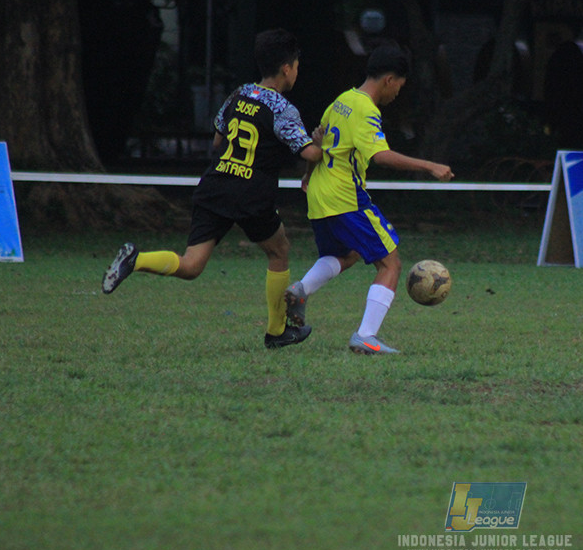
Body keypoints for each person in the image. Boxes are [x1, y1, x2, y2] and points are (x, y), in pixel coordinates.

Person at [102, 28, 324, 349]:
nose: (297, 71)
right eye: (297, 65)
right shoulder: (282, 108)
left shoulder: (239, 94)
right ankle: (277, 332)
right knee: (279, 251)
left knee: (191, 265)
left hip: (216, 185)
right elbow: (309, 154)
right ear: (287, 68)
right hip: (251, 193)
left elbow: (218, 140)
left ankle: (137, 260)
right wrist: (321, 144)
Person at [285, 44, 454, 354]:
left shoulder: (342, 101)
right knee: (391, 264)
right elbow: (381, 156)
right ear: (390, 79)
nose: (398, 93)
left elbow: (318, 141)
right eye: (400, 86)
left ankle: (301, 289)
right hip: (346, 197)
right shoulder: (365, 109)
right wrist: (429, 165)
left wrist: (309, 174)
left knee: (347, 254)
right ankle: (365, 336)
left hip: (320, 194)